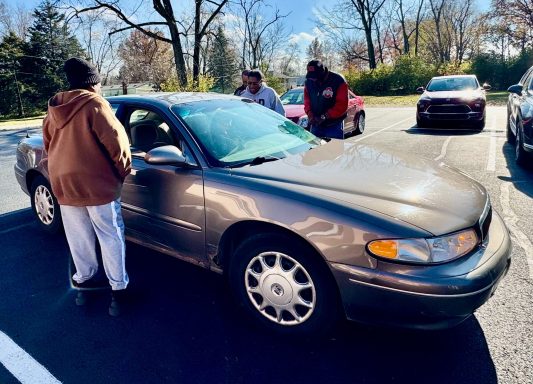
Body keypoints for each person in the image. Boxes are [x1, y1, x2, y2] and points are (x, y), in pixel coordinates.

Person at [43, 57, 132, 317]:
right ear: (93, 83)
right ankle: (119, 292)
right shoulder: (94, 104)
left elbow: (48, 146)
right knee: (110, 235)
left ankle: (84, 283)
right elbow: (117, 142)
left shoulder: (54, 108)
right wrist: (121, 173)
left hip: (64, 183)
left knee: (78, 236)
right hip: (97, 184)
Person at [304, 59, 349, 139]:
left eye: (315, 76)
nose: (313, 79)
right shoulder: (308, 82)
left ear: (322, 73)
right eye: (311, 76)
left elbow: (342, 105)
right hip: (316, 125)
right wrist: (310, 115)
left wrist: (325, 116)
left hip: (334, 125)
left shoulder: (338, 81)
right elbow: (307, 102)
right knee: (315, 150)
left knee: (334, 150)